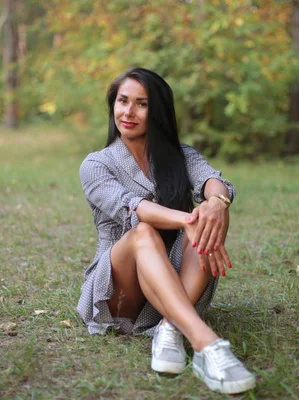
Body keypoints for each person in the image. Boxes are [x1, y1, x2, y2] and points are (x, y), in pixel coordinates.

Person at [77, 67, 256, 394]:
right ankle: (207, 344)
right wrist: (192, 219)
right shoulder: (96, 164)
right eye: (122, 101)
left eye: (141, 104)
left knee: (213, 208)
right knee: (145, 230)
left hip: (172, 279)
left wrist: (216, 202)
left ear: (157, 111)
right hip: (121, 290)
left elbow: (212, 180)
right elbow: (134, 208)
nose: (128, 112)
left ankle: (170, 328)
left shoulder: (181, 154)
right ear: (112, 105)